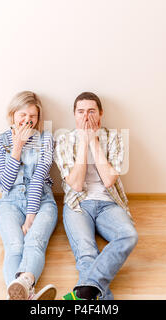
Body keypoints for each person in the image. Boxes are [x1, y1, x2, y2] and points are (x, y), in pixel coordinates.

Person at [54, 92, 138, 300]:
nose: (86, 116)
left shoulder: (115, 138)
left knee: (129, 235)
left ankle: (84, 292)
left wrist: (94, 142)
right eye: (80, 112)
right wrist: (83, 143)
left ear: (101, 114)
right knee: (87, 254)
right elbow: (75, 184)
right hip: (78, 204)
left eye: (91, 111)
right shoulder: (64, 139)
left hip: (109, 203)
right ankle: (95, 297)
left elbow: (109, 180)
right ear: (74, 115)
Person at [0, 91, 58, 300]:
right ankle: (27, 294)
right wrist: (17, 148)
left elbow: (39, 177)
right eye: (23, 115)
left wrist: (31, 217)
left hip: (42, 201)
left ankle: (24, 286)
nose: (28, 120)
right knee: (15, 246)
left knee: (34, 242)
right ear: (13, 115)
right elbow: (4, 183)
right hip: (10, 202)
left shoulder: (46, 138)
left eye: (33, 116)